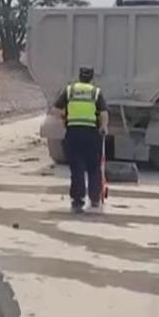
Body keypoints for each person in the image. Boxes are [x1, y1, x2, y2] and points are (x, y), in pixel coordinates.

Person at [52, 66, 109, 213]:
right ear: (91, 78)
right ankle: (95, 198)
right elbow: (103, 113)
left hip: (73, 133)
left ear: (79, 77)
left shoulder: (70, 90)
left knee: (76, 168)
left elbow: (56, 110)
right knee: (94, 167)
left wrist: (66, 119)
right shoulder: (95, 92)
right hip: (91, 133)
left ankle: (78, 200)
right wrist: (103, 127)